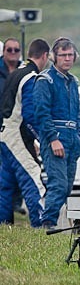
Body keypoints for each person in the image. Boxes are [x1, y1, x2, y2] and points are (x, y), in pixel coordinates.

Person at [33, 37, 80, 229]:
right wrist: (53, 139)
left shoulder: (74, 81)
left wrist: (78, 135)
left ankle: (49, 221)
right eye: (63, 55)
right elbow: (41, 113)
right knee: (58, 184)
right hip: (55, 138)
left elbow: (77, 112)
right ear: (54, 57)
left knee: (67, 187)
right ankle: (47, 224)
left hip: (72, 139)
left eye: (70, 55)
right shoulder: (45, 80)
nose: (67, 59)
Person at [0, 38, 50, 226]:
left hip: (5, 134)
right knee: (34, 179)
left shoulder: (16, 73)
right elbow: (30, 114)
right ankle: (41, 227)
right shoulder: (30, 77)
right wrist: (42, 139)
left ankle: (4, 226)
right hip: (16, 136)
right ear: (45, 56)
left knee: (5, 185)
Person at [0, 37, 25, 214]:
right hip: (1, 124)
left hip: (19, 127)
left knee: (19, 166)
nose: (13, 53)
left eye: (16, 50)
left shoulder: (24, 71)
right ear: (3, 52)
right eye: (9, 50)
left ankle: (15, 203)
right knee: (4, 169)